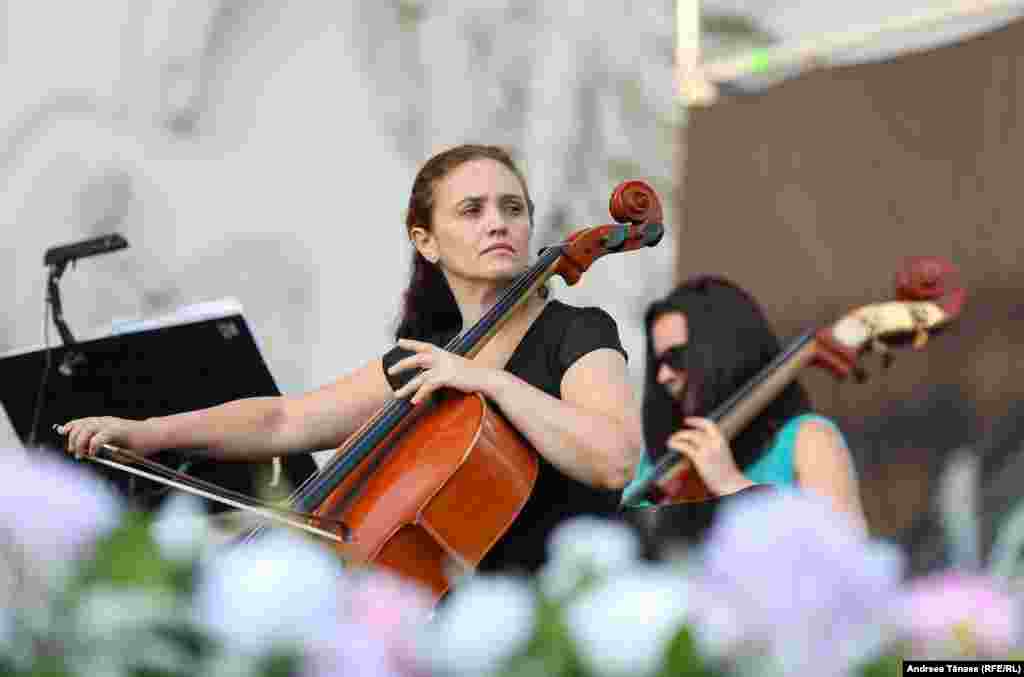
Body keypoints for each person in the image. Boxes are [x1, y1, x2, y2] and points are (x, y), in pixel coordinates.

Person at [60, 144, 644, 574]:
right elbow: (284, 420)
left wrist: (487, 381)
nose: (498, 222)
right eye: (472, 210)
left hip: (558, 618)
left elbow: (614, 460)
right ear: (426, 241)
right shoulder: (430, 359)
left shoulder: (577, 332)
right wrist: (148, 433)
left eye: (512, 208)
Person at [623, 275, 868, 545]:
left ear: (721, 351)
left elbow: (844, 552)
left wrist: (731, 484)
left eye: (676, 358)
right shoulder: (662, 459)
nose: (663, 376)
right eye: (658, 363)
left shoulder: (809, 439)